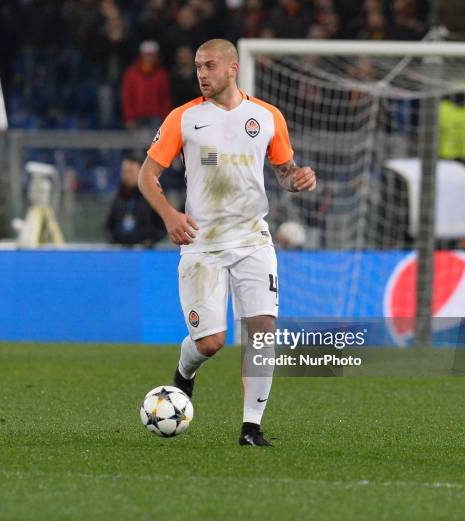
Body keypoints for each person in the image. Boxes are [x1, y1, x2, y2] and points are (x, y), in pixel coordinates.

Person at [138, 39, 316, 446]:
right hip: (202, 244)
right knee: (211, 342)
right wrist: (169, 214)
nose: (202, 73)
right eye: (199, 66)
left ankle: (251, 428)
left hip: (254, 239)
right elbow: (147, 176)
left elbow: (284, 172)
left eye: (210, 65)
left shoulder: (267, 117)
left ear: (233, 68)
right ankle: (185, 372)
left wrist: (298, 179)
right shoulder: (183, 118)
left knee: (262, 331)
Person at [106, 157, 165, 246]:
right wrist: (114, 241)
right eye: (124, 172)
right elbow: (109, 226)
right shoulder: (116, 198)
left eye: (131, 172)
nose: (127, 176)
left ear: (141, 173)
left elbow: (162, 226)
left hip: (145, 252)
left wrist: (151, 240)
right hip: (120, 251)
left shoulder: (152, 196)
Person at [120, 40, 171, 131]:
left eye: (152, 56)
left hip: (156, 118)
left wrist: (165, 118)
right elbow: (127, 97)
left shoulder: (162, 75)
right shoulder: (131, 73)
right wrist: (129, 118)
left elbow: (165, 98)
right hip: (136, 118)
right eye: (147, 55)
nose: (149, 59)